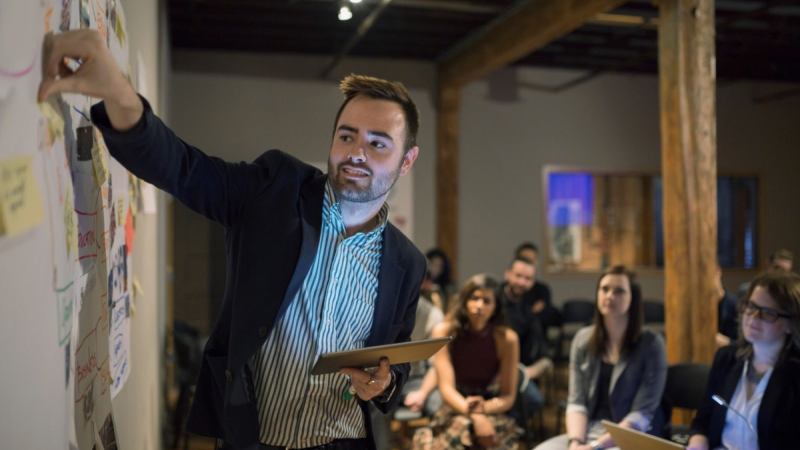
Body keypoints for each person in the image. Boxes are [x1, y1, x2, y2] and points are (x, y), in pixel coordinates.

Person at [40, 30, 427, 450]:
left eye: (377, 143)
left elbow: (396, 358)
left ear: (407, 160)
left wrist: (385, 382)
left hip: (345, 441)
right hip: (254, 440)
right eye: (347, 136)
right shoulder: (276, 189)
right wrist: (120, 95)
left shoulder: (407, 263)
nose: (356, 153)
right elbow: (185, 170)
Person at [535, 265, 667, 450]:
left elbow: (642, 413)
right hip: (589, 430)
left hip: (632, 435)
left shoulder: (651, 344)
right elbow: (576, 402)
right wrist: (576, 442)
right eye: (604, 289)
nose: (610, 296)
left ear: (633, 298)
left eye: (619, 291)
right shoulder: (583, 339)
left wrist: (595, 446)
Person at [687, 270, 800, 450]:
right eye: (751, 306)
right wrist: (698, 440)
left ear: (790, 324)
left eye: (768, 313)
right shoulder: (726, 358)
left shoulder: (795, 376)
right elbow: (703, 420)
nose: (753, 317)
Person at [413, 275, 523, 449]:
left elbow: (508, 396)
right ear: (464, 301)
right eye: (474, 298)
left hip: (489, 404)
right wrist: (477, 417)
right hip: (455, 404)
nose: (479, 305)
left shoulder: (507, 338)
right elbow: (446, 389)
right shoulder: (444, 331)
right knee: (458, 433)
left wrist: (483, 409)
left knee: (492, 438)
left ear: (495, 306)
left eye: (486, 301)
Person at [497, 257, 549, 425]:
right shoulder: (493, 299)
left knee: (534, 400)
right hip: (486, 367)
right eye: (518, 276)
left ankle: (508, 428)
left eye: (528, 279)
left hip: (516, 370)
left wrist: (527, 373)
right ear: (507, 274)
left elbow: (544, 356)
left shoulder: (529, 310)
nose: (522, 282)